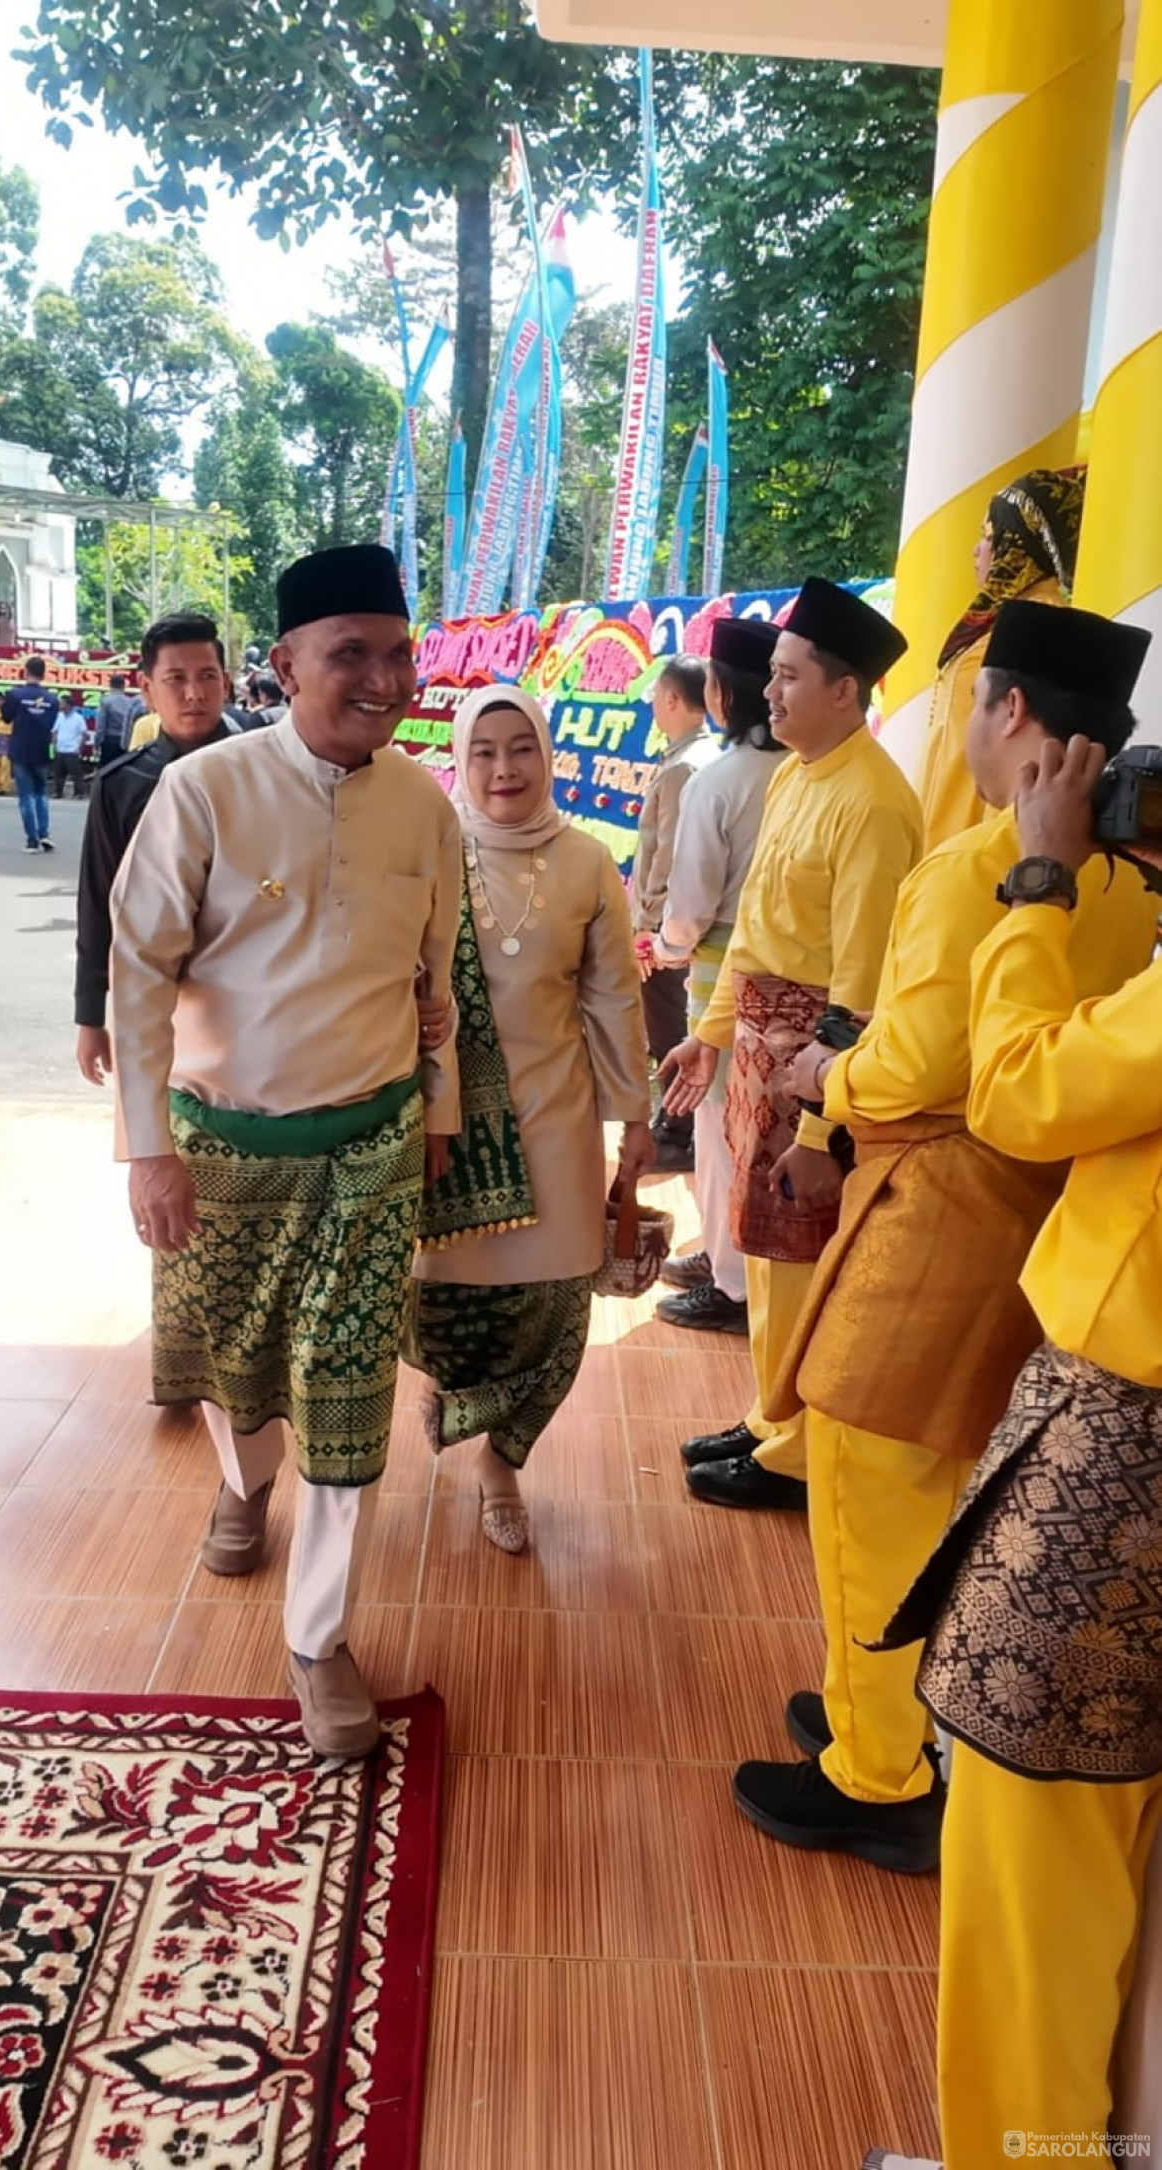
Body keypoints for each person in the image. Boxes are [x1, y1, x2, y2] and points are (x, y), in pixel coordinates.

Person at [728, 600, 1159, 1876]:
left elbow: (917, 1062)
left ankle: (876, 1770)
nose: (964, 722)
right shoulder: (1134, 876)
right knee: (944, 1485)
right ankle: (888, 1719)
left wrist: (828, 1078)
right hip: (1050, 1219)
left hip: (937, 1206)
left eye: (973, 696)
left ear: (1009, 710)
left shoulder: (981, 868)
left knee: (871, 1482)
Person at [864, 720, 1162, 2170]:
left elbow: (1020, 1089)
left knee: (1032, 1843)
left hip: (1125, 1450)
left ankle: (1022, 2154)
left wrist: (1041, 881)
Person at [108, 544, 462, 1761]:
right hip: (222, 1150)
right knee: (234, 1367)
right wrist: (148, 1149)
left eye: (398, 653)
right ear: (286, 664)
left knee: (349, 1394)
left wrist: (437, 1116)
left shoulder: (425, 806)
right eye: (350, 653)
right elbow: (137, 976)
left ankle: (318, 1638)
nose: (384, 679)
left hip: (369, 1146)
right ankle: (244, 1478)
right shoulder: (203, 791)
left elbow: (436, 984)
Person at [660, 579, 922, 1510]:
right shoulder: (797, 775)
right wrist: (708, 1037)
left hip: (813, 1063)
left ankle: (802, 1451)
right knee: (766, 1256)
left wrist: (819, 1132)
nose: (767, 693)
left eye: (788, 677)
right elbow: (758, 935)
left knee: (805, 1257)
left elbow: (861, 984)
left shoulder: (874, 803)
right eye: (769, 675)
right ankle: (771, 1415)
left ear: (845, 691)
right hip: (759, 1048)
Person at [404, 686, 654, 1553]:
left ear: (547, 756)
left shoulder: (586, 862)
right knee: (440, 1298)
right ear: (461, 760)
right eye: (484, 751)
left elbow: (615, 999)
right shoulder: (428, 853)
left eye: (521, 749)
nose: (504, 769)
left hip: (555, 1117)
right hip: (444, 1118)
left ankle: (501, 1460)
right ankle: (453, 1388)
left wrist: (635, 1117)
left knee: (556, 1307)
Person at [652, 618, 784, 1333]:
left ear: (725, 693)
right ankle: (728, 1253)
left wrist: (668, 945)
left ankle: (732, 1285)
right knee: (758, 1126)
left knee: (719, 1125)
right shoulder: (801, 771)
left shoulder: (719, 780)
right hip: (786, 976)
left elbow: (692, 900)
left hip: (719, 973)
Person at [75, 613, 241, 1088]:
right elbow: (98, 901)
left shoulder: (265, 773)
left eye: (207, 677)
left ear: (226, 684)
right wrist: (90, 1016)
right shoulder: (122, 785)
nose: (194, 693)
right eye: (175, 679)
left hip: (250, 996)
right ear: (147, 689)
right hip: (155, 995)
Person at [918, 466, 1084, 853]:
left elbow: (1019, 749)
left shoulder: (1036, 626)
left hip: (979, 838)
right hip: (953, 835)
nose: (977, 549)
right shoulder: (1008, 618)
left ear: (1018, 545)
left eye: (990, 536)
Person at [631, 655, 715, 1173]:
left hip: (666, 928)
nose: (655, 710)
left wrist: (648, 928)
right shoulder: (691, 758)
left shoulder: (686, 767)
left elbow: (669, 855)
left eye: (657, 700)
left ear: (672, 700)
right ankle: (679, 1124)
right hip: (671, 925)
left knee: (668, 1027)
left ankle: (679, 1131)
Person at [2, 655, 58, 853]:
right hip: (42, 750)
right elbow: (51, 723)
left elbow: (6, 717)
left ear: (26, 671)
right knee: (41, 793)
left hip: (20, 750)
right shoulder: (52, 699)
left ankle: (32, 840)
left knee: (26, 795)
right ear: (44, 674)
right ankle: (44, 834)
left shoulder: (15, 695)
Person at [96, 673, 144, 765]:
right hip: (126, 740)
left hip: (109, 740)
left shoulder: (106, 701)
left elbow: (101, 726)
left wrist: (97, 743)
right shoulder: (131, 702)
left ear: (110, 685)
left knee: (107, 769)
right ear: (123, 686)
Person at [52, 692, 88, 799]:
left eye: (62, 703)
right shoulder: (59, 716)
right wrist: (54, 745)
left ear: (68, 705)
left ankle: (79, 793)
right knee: (58, 774)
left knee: (76, 774)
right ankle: (58, 792)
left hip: (72, 750)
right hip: (60, 749)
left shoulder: (78, 718)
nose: (60, 705)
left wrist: (79, 748)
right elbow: (55, 731)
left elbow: (84, 734)